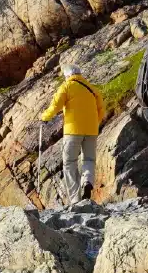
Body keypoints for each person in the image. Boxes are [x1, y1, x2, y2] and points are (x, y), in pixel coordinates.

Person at [41, 63, 105, 204]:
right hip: (91, 131)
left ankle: (75, 199)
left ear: (68, 76)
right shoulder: (93, 90)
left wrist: (44, 117)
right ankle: (87, 181)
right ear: (79, 74)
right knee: (89, 160)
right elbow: (101, 110)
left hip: (72, 131)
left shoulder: (67, 86)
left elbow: (55, 106)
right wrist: (93, 124)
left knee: (70, 162)